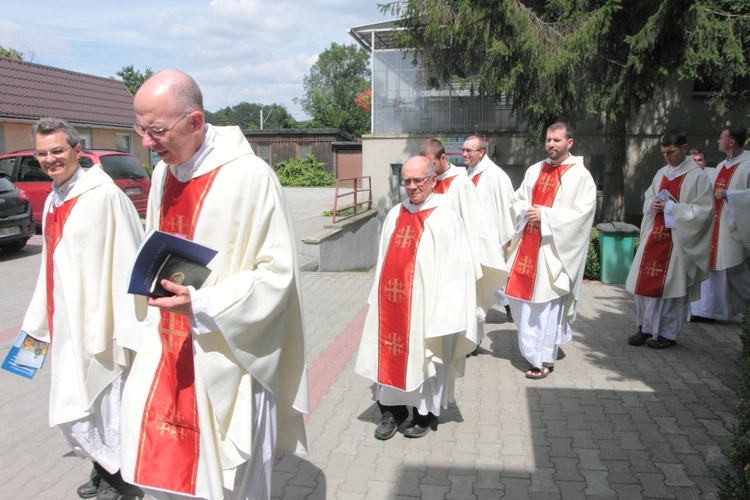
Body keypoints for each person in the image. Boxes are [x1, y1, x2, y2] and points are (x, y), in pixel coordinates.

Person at [119, 70, 308, 500]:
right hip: (168, 342)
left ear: (196, 121)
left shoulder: (250, 177)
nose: (147, 143)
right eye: (141, 130)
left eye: (157, 131)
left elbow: (277, 275)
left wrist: (205, 303)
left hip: (229, 350)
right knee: (164, 464)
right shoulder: (165, 174)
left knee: (229, 481)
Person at [21, 118, 146, 499]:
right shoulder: (57, 196)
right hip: (68, 320)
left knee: (104, 401)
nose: (50, 159)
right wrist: (38, 323)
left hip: (100, 323)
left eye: (58, 150)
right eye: (42, 153)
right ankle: (104, 470)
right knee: (82, 403)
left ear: (77, 150)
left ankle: (121, 482)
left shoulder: (103, 196)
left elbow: (128, 258)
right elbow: (52, 266)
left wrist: (123, 325)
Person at [355, 156, 478, 440]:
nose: (411, 187)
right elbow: (383, 259)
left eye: (417, 180)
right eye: (406, 181)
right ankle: (393, 411)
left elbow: (457, 270)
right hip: (393, 306)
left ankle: (425, 414)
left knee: (424, 359)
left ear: (432, 180)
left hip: (426, 308)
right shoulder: (396, 213)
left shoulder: (445, 216)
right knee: (391, 354)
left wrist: (445, 312)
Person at [504, 122, 596, 379]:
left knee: (546, 305)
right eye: (548, 140)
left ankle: (543, 358)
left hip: (552, 254)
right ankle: (532, 351)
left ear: (570, 142)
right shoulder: (535, 169)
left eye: (557, 140)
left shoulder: (580, 176)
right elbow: (517, 199)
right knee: (522, 303)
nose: (551, 145)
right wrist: (525, 210)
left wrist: (545, 215)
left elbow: (581, 216)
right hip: (527, 248)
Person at [420, 139, 508, 356]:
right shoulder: (427, 181)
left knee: (466, 299)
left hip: (459, 253)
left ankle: (471, 342)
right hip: (434, 254)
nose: (429, 169)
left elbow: (473, 222)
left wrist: (472, 256)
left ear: (443, 158)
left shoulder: (460, 183)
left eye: (432, 164)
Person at [626, 130, 713, 348]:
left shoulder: (698, 176)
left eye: (671, 152)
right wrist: (652, 205)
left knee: (672, 290)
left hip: (678, 240)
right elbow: (649, 197)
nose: (667, 156)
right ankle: (644, 328)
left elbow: (704, 211)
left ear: (684, 148)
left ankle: (667, 335)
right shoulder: (661, 173)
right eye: (664, 152)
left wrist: (672, 207)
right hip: (654, 236)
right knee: (642, 286)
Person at [690, 127, 750, 321]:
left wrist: (730, 195)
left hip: (733, 225)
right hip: (716, 224)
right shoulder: (722, 166)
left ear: (731, 142)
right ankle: (707, 310)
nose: (718, 141)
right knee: (715, 269)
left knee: (734, 269)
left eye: (721, 138)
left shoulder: (747, 164)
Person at [462, 135, 515, 322]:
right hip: (471, 237)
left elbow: (508, 206)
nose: (464, 154)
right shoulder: (467, 174)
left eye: (469, 150)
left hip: (491, 238)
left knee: (494, 275)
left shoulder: (495, 175)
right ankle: (475, 320)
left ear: (481, 152)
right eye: (463, 150)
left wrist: (507, 240)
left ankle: (511, 307)